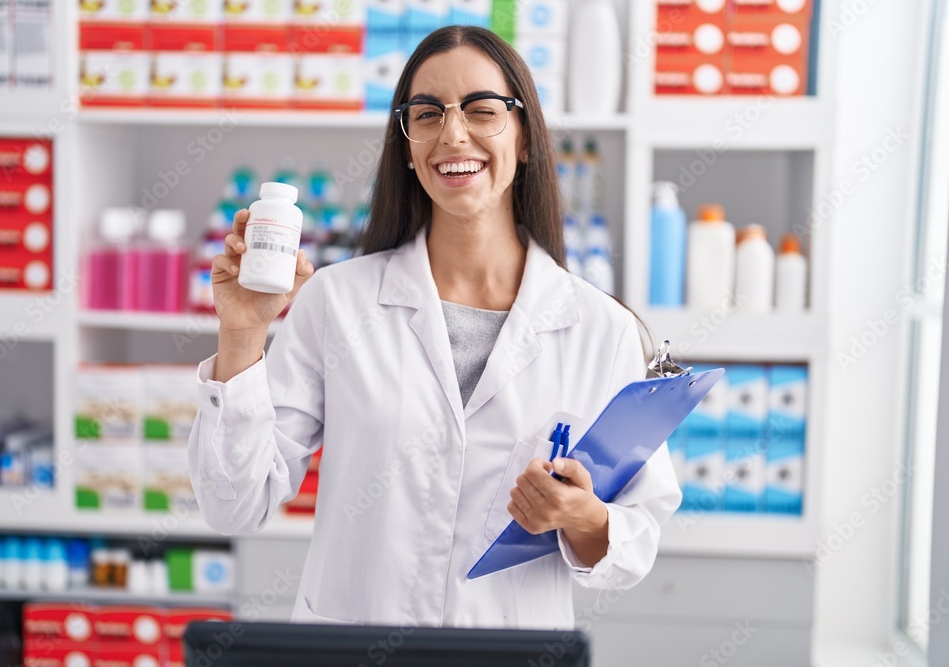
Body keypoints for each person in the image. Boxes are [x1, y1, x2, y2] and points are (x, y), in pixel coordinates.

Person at [188, 25, 681, 629]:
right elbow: (234, 504)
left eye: (482, 109)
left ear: (525, 138)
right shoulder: (337, 302)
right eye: (427, 113)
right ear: (407, 143)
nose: (452, 134)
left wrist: (583, 518)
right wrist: (241, 334)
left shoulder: (602, 331)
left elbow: (637, 535)